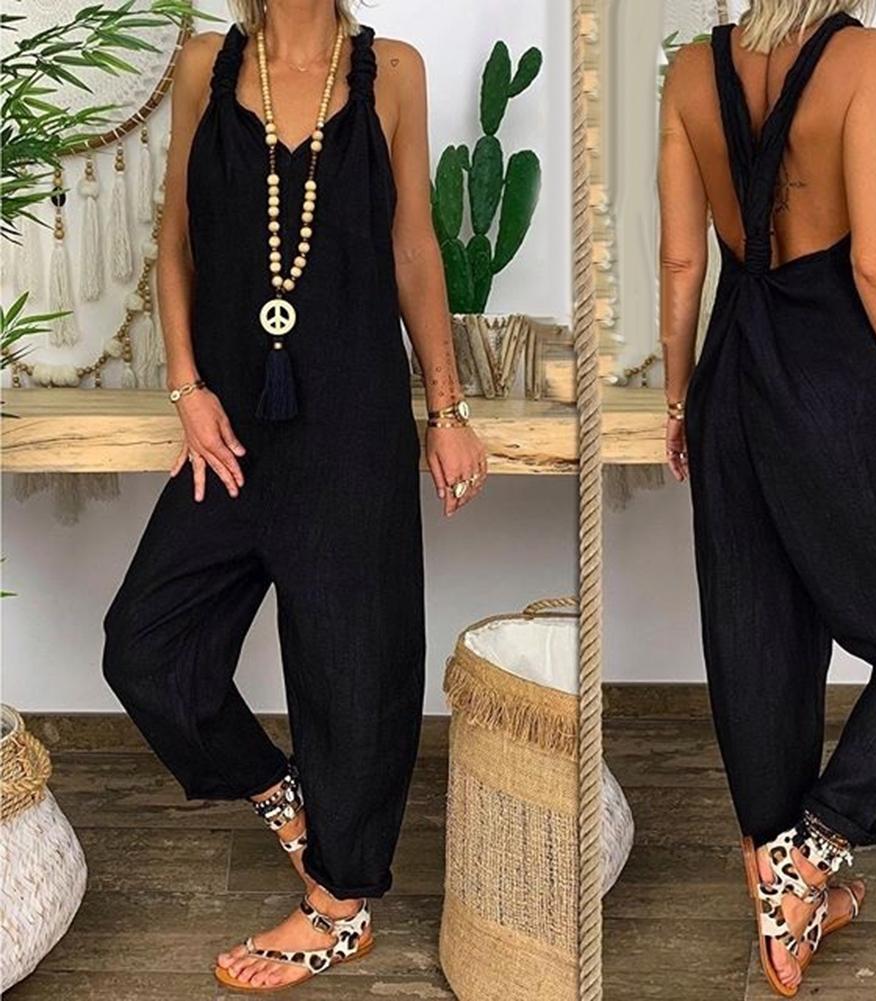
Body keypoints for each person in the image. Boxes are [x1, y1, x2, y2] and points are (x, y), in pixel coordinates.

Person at [102, 0, 487, 992]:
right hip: (230, 425)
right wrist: (185, 387)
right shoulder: (206, 65)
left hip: (352, 420)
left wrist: (445, 406)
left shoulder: (391, 72)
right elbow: (175, 240)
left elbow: (413, 246)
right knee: (146, 644)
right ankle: (285, 797)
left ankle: (338, 904)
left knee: (354, 671)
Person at [657, 2, 876, 995]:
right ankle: (811, 853)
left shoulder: (689, 70)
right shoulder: (869, 55)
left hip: (728, 374)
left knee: (760, 641)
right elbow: (875, 259)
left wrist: (679, 396)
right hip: (832, 374)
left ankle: (788, 900)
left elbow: (682, 259)